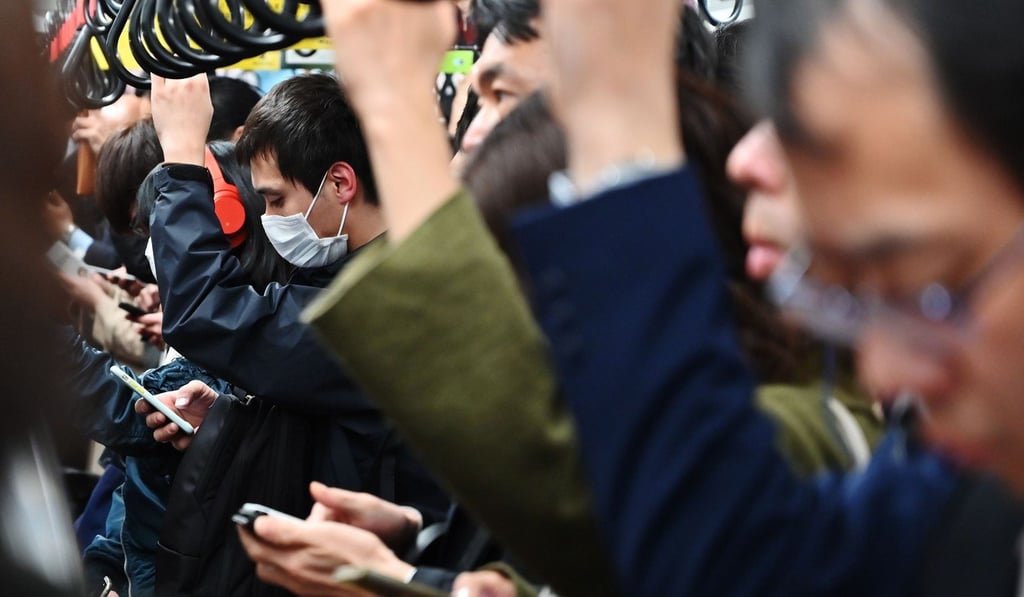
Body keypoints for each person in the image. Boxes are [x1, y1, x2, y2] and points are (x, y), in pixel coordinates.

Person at [300, 0, 1024, 595]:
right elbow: (712, 556)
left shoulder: (827, 426)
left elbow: (645, 515)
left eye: (924, 286)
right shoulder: (961, 497)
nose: (889, 371)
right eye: (852, 298)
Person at [140, 72, 449, 595]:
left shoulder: (382, 304)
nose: (268, 219)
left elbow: (207, 312)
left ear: (341, 183)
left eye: (278, 200)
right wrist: (235, 417)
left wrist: (183, 158)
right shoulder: (358, 280)